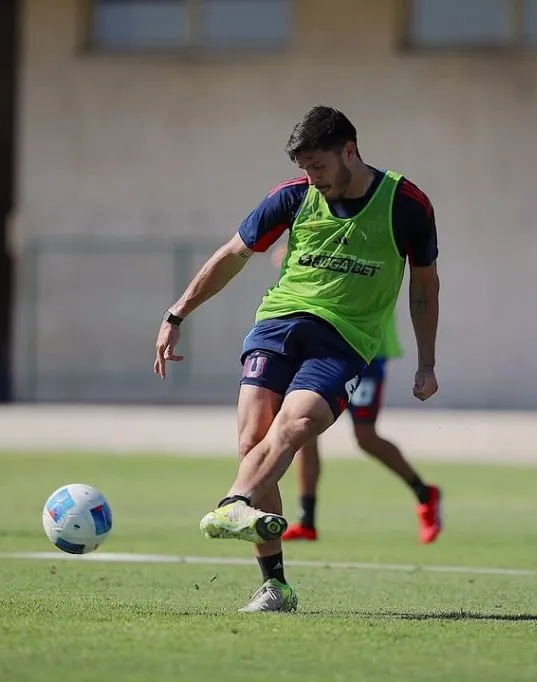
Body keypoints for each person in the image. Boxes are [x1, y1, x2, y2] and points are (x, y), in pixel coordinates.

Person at [153, 106, 442, 612]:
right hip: (278, 325)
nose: (314, 180)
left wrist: (426, 361)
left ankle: (232, 504)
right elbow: (232, 256)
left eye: (321, 168)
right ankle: (275, 586)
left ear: (349, 150)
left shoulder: (406, 205)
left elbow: (424, 286)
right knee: (251, 440)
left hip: (344, 342)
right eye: (306, 169)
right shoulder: (291, 196)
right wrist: (177, 313)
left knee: (297, 423)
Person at [269, 247, 442, 544]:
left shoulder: (376, 234)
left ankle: (424, 493)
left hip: (366, 349)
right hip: (321, 348)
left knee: (365, 437)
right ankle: (307, 520)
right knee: (303, 429)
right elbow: (282, 257)